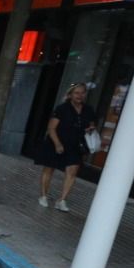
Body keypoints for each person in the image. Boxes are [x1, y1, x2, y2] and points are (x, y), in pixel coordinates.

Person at [34, 83, 98, 212]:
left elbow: (91, 124)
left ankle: (61, 200)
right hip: (56, 142)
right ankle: (43, 196)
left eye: (82, 93)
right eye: (76, 93)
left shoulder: (88, 109)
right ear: (70, 95)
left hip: (76, 145)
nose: (80, 96)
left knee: (72, 172)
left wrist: (91, 128)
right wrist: (57, 144)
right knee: (49, 169)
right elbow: (51, 128)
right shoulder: (62, 108)